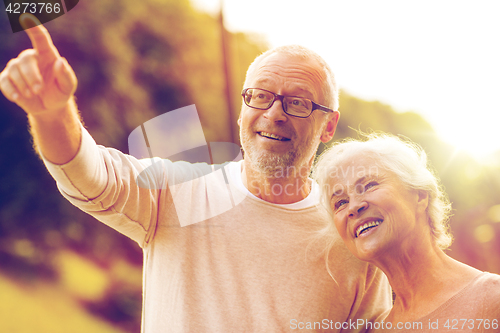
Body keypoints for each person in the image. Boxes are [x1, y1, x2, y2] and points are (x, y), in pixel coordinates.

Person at [0, 14, 391, 332]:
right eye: (260, 95)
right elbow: (87, 172)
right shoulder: (176, 191)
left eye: (299, 103)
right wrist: (53, 114)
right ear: (243, 107)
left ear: (328, 126)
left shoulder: (356, 243)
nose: (274, 113)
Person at [313, 133, 500, 332]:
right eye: (340, 203)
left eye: (369, 186)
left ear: (420, 195)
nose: (353, 207)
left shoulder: (493, 299)